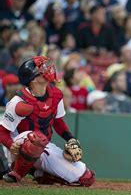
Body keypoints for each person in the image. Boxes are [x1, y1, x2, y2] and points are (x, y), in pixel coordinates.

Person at [0, 56, 95, 186]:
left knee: (85, 178)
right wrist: (11, 145)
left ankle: (41, 173)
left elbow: (58, 122)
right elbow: (2, 132)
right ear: (32, 80)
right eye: (41, 69)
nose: (47, 70)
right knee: (36, 138)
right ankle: (16, 173)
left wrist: (70, 139)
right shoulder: (18, 101)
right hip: (17, 148)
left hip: (42, 145)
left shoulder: (56, 94)